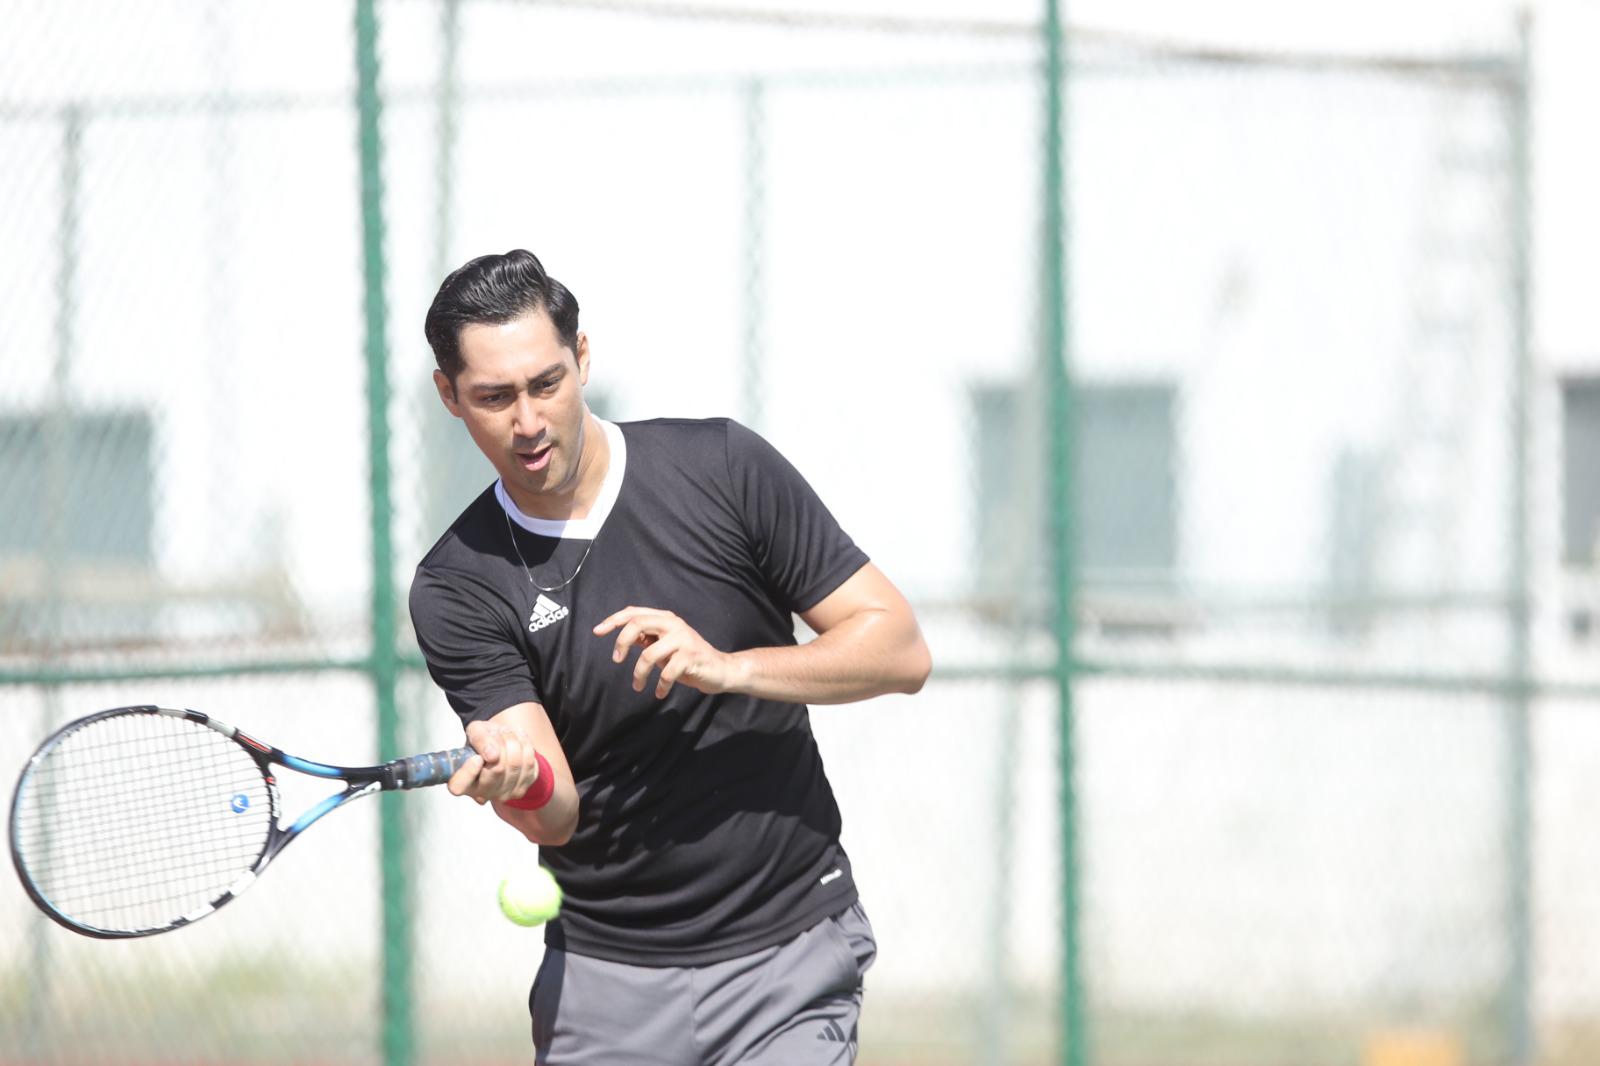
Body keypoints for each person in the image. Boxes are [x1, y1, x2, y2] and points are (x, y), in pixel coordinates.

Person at [410, 248, 931, 1065]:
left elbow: (899, 649)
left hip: (788, 952)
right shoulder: (457, 586)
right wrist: (517, 785)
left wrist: (733, 666)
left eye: (546, 383)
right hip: (606, 980)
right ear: (450, 397)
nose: (528, 421)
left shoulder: (722, 469)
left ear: (582, 358)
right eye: (494, 397)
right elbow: (558, 809)